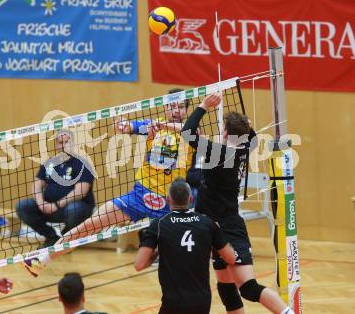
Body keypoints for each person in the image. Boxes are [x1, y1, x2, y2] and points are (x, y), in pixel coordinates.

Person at [23, 88, 194, 276]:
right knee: (88, 227)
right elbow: (130, 126)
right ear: (165, 107)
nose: (175, 110)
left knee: (168, 259)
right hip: (139, 195)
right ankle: (41, 260)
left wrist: (161, 127)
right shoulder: (152, 125)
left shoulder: (191, 130)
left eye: (180, 107)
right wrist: (122, 125)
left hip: (170, 204)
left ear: (187, 110)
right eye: (171, 106)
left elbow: (188, 131)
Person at [181, 93, 294, 314]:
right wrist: (246, 126)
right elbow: (251, 137)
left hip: (227, 228)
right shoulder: (245, 149)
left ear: (224, 133)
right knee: (225, 287)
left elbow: (187, 132)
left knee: (248, 287)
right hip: (215, 228)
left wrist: (204, 106)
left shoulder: (219, 152)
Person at [135, 177, 236, 314]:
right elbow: (231, 258)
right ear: (190, 199)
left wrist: (159, 251)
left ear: (168, 199)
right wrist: (218, 235)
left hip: (173, 302)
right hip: (202, 302)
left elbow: (139, 265)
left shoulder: (158, 225)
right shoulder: (208, 223)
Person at [16, 129, 95, 248]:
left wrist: (56, 205)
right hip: (49, 208)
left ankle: (65, 239)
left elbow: (81, 191)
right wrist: (41, 203)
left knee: (75, 209)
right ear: (56, 144)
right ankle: (51, 237)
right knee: (23, 206)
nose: (63, 146)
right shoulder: (50, 163)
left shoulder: (82, 164)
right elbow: (36, 185)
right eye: (60, 142)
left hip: (74, 209)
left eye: (66, 142)